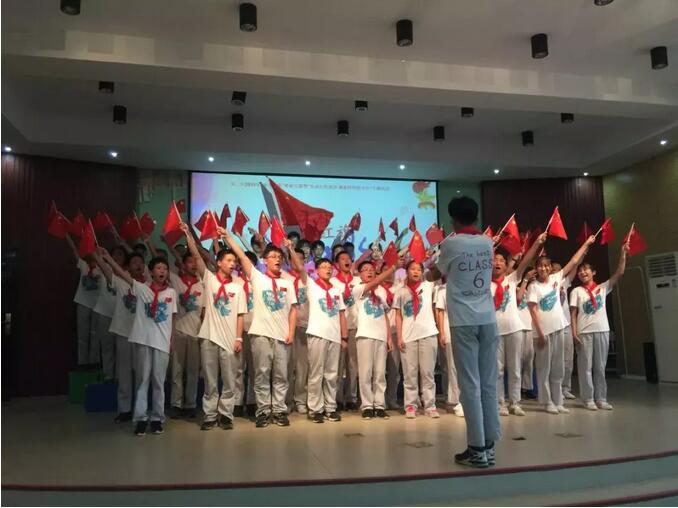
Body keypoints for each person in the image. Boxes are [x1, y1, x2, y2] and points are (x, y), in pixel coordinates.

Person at [434, 196, 498, 468]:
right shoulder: (487, 242)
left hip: (463, 320)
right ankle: (489, 445)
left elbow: (434, 274)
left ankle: (476, 448)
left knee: (470, 384)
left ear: (454, 219)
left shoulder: (451, 243)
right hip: (488, 318)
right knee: (489, 383)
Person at [220, 228, 298, 428]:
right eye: (273, 257)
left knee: (281, 375)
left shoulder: (288, 283)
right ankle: (263, 411)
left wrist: (291, 332)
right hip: (260, 334)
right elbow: (241, 255)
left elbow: (293, 310)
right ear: (264, 260)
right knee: (262, 374)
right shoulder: (257, 277)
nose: (277, 259)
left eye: (280, 257)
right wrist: (228, 237)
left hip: (282, 336)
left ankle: (279, 410)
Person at [181, 223, 247, 430]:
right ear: (218, 262)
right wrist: (188, 235)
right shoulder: (209, 280)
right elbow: (197, 257)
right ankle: (209, 415)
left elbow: (240, 315)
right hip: (209, 337)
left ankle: (226, 414)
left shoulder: (238, 287)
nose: (232, 264)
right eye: (228, 260)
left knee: (229, 380)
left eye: (234, 261)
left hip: (229, 339)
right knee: (210, 380)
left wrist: (239, 338)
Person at [107, 253, 178, 436]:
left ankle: (157, 418)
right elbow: (122, 274)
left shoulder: (171, 293)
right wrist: (108, 258)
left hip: (162, 343)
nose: (162, 271)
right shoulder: (142, 288)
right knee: (142, 381)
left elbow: (173, 318)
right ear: (151, 272)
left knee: (159, 382)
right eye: (158, 268)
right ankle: (140, 419)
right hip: (143, 341)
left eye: (165, 268)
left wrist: (171, 341)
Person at [528, 236, 595, 415]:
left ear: (550, 268)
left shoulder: (556, 278)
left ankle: (558, 401)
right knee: (544, 368)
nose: (543, 268)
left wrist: (586, 244)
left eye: (546, 266)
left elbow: (573, 261)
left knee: (558, 367)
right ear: (536, 268)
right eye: (540, 266)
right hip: (543, 333)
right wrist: (540, 333)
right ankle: (547, 401)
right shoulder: (533, 286)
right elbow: (533, 311)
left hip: (559, 328)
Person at [287, 244, 347, 423]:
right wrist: (291, 249)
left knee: (332, 374)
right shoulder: (312, 286)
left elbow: (341, 314)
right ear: (317, 270)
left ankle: (330, 407)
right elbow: (300, 268)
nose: (328, 270)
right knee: (316, 373)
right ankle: (315, 408)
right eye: (324, 267)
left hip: (334, 336)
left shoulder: (336, 290)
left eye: (330, 267)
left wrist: (344, 337)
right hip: (317, 334)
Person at [491, 233, 546, 417]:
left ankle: (515, 403)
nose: (498, 262)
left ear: (506, 265)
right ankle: (500, 403)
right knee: (498, 370)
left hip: (514, 329)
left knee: (515, 368)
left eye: (501, 260)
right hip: (495, 332)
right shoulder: (484, 284)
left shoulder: (512, 279)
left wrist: (536, 243)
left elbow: (526, 261)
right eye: (494, 260)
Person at [570, 244, 628, 411]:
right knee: (585, 367)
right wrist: (574, 333)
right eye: (580, 271)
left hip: (602, 330)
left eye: (586, 269)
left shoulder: (602, 288)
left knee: (600, 367)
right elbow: (573, 314)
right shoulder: (576, 291)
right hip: (584, 332)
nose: (583, 272)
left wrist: (623, 254)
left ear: (593, 272)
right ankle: (588, 399)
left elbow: (619, 273)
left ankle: (601, 398)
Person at [94, 249, 146, 423]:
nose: (138, 265)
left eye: (141, 262)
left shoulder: (148, 285)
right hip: (124, 332)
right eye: (134, 263)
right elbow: (106, 270)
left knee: (141, 374)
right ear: (127, 267)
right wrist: (102, 257)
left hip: (141, 335)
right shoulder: (121, 283)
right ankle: (124, 409)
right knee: (124, 372)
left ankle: (140, 409)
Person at [394, 261, 440, 419]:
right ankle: (411, 405)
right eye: (412, 269)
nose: (416, 272)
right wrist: (399, 336)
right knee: (410, 374)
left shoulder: (428, 286)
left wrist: (431, 264)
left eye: (419, 269)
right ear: (406, 271)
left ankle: (430, 405)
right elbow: (398, 315)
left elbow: (437, 274)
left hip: (428, 333)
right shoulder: (400, 291)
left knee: (428, 373)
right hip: (408, 336)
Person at [352, 261, 396, 419]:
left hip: (381, 336)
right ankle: (367, 406)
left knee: (380, 373)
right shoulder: (357, 289)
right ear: (360, 274)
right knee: (365, 373)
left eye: (371, 269)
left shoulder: (381, 291)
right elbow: (374, 282)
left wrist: (389, 337)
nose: (369, 272)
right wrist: (393, 268)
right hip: (365, 335)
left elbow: (385, 314)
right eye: (365, 270)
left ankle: (379, 405)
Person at [167, 250, 205, 420]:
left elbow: (203, 312)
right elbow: (160, 266)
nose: (193, 265)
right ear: (183, 264)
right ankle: (176, 403)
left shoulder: (202, 285)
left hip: (195, 333)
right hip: (179, 331)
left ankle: (190, 404)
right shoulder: (176, 281)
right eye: (189, 261)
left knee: (192, 371)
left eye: (195, 261)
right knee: (177, 370)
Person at [64, 234, 101, 367]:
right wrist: (68, 237)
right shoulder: (83, 264)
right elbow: (74, 249)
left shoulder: (103, 268)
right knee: (82, 336)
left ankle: (94, 364)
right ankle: (82, 364)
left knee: (95, 336)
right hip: (83, 303)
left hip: (98, 306)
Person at [92, 245, 126, 381]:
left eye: (121, 254)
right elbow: (98, 265)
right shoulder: (104, 269)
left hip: (121, 317)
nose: (118, 257)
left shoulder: (127, 274)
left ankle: (119, 376)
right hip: (104, 313)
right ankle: (108, 374)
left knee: (120, 349)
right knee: (107, 346)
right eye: (115, 254)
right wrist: (97, 253)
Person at [331, 250, 360, 410]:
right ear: (337, 264)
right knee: (338, 365)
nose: (347, 260)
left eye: (349, 258)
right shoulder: (333, 282)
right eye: (343, 259)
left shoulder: (358, 280)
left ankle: (351, 397)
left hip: (355, 326)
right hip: (338, 327)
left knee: (353, 365)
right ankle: (337, 398)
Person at [283, 248, 310, 415]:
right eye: (294, 258)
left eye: (301, 259)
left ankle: (300, 400)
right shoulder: (283, 277)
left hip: (303, 327)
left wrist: (290, 249)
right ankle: (286, 401)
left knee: (302, 367)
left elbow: (301, 269)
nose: (297, 261)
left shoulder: (307, 279)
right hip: (285, 327)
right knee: (286, 366)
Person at [434, 281, 464, 417]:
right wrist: (441, 332)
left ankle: (466, 398)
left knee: (465, 368)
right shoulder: (443, 290)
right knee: (452, 368)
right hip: (450, 331)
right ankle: (456, 401)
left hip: (465, 331)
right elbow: (440, 312)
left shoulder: (465, 285)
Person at [551, 262, 576, 400]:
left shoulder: (564, 282)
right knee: (556, 359)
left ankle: (566, 388)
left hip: (566, 324)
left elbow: (573, 269)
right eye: (553, 270)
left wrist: (582, 254)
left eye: (558, 269)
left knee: (568, 359)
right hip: (554, 325)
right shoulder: (548, 284)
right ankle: (555, 388)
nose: (555, 271)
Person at [517, 269, 537, 399]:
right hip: (518, 327)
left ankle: (527, 387)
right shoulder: (517, 289)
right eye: (531, 276)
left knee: (529, 360)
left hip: (530, 327)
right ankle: (516, 387)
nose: (533, 278)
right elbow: (518, 299)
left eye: (534, 276)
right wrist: (525, 280)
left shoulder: (535, 290)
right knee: (518, 359)